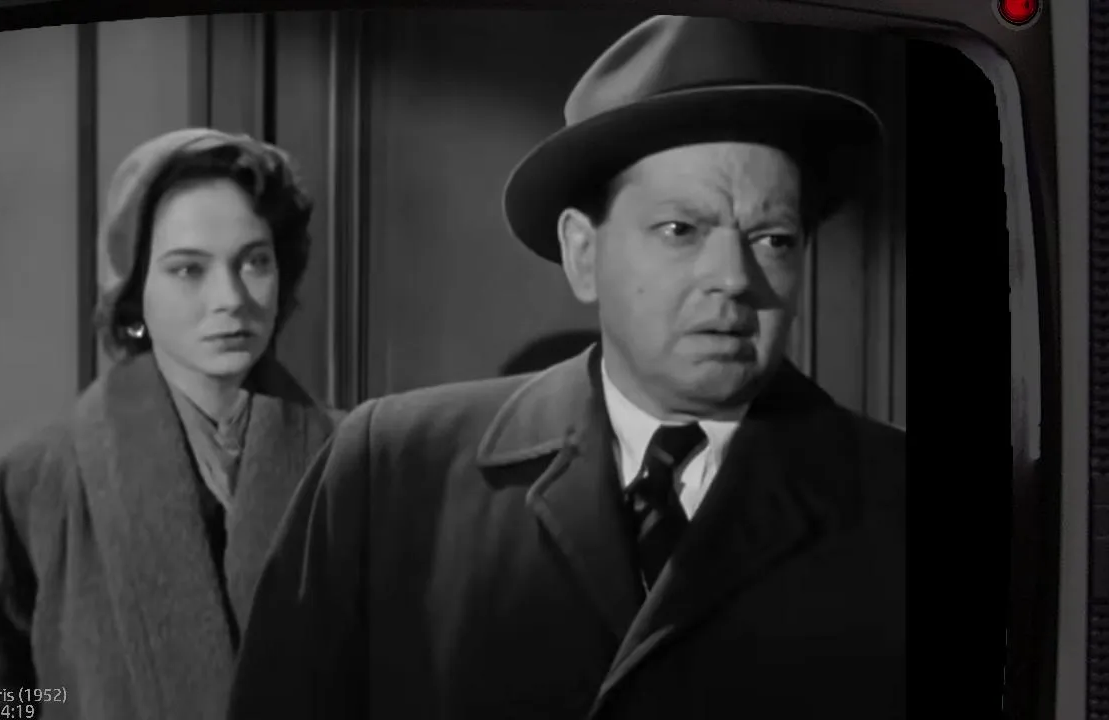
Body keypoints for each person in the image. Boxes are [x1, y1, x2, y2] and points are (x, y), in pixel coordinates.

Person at [228, 16, 904, 720]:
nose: (734, 277)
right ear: (583, 252)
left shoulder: (894, 501)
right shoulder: (387, 474)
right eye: (681, 230)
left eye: (773, 239)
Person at [0, 128, 342, 720]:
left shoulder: (354, 458)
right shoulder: (37, 477)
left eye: (254, 262)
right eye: (188, 270)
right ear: (135, 289)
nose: (230, 297)